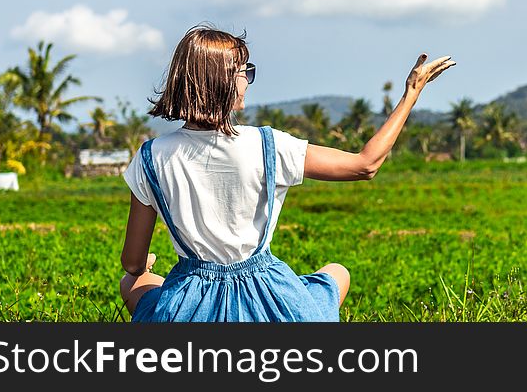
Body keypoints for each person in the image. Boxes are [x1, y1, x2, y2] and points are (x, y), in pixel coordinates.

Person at [118, 24, 455, 321]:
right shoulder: (268, 144)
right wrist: (411, 94)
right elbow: (366, 164)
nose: (246, 81)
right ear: (222, 82)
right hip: (268, 300)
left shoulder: (150, 157)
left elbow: (132, 264)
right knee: (337, 273)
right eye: (242, 72)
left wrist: (145, 266)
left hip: (192, 306)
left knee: (133, 282)